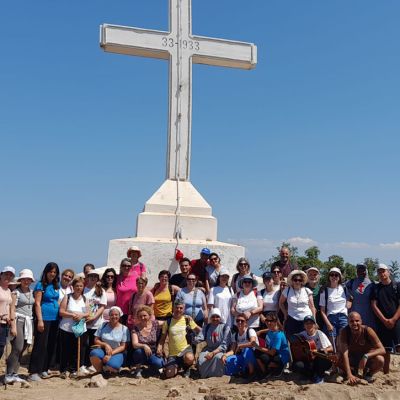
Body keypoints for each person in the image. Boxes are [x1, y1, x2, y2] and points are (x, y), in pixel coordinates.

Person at [28, 262, 60, 381]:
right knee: (40, 345)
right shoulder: (40, 285)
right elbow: (37, 303)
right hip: (44, 318)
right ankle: (34, 371)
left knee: (51, 344)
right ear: (46, 272)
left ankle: (44, 369)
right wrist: (40, 320)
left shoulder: (56, 285)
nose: (52, 274)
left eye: (55, 272)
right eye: (50, 271)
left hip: (55, 319)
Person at [156, 300, 201, 379]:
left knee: (190, 357)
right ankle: (178, 366)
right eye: (177, 308)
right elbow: (162, 339)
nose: (178, 310)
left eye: (181, 308)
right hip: (173, 354)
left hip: (186, 350)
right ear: (173, 308)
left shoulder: (187, 320)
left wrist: (209, 330)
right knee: (169, 374)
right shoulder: (168, 322)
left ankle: (186, 368)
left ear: (184, 309)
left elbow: (199, 330)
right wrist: (159, 347)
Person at [337, 311, 385, 384]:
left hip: (366, 360)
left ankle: (368, 375)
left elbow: (382, 349)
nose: (354, 323)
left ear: (361, 321)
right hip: (352, 358)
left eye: (357, 321)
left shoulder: (367, 330)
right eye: (351, 321)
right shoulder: (344, 331)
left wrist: (366, 356)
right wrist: (349, 374)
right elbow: (345, 353)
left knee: (380, 359)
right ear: (348, 322)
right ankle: (346, 373)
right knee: (337, 357)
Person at [5, 269, 34, 384]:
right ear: (20, 280)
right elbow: (12, 309)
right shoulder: (15, 292)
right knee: (17, 348)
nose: (26, 281)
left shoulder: (32, 292)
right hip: (18, 320)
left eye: (28, 279)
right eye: (24, 279)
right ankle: (8, 373)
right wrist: (13, 326)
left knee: (23, 348)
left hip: (28, 322)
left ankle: (14, 373)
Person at [371, 263, 400, 374]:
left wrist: (393, 319)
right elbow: (374, 305)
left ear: (388, 272)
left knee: (399, 347)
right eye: (379, 272)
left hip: (397, 321)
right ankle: (386, 374)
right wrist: (384, 320)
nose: (381, 273)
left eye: (383, 271)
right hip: (382, 323)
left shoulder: (397, 286)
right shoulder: (376, 288)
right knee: (385, 350)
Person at [58, 277, 89, 379]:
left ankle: (74, 370)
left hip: (80, 328)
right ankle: (63, 370)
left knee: (77, 350)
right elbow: (61, 311)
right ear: (73, 287)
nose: (79, 288)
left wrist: (81, 316)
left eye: (81, 286)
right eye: (77, 286)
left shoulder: (85, 299)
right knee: (65, 350)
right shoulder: (67, 297)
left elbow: (88, 313)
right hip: (66, 328)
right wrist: (72, 315)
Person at [293, 315, 334, 384]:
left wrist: (319, 350)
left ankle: (319, 375)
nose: (309, 325)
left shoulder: (320, 334)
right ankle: (309, 375)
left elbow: (331, 348)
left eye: (311, 323)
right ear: (304, 325)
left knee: (323, 359)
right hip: (307, 359)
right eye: (307, 323)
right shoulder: (301, 335)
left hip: (318, 359)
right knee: (297, 365)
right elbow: (294, 345)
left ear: (314, 325)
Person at [90, 306, 129, 373]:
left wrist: (110, 354)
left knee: (112, 365)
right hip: (103, 350)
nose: (114, 316)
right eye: (112, 315)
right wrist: (105, 345)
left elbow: (123, 346)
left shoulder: (124, 329)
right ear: (109, 316)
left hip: (117, 352)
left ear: (120, 316)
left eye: (116, 315)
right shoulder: (103, 325)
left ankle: (109, 367)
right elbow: (96, 340)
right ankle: (100, 372)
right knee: (94, 353)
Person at [279, 270, 315, 337]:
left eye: (299, 280)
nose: (297, 282)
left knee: (307, 341)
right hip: (292, 320)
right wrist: (285, 313)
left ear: (302, 281)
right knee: (292, 340)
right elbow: (280, 303)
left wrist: (314, 320)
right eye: (295, 280)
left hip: (306, 320)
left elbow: (312, 307)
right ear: (292, 281)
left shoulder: (307, 291)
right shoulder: (287, 290)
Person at [83, 269, 107, 373]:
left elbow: (102, 306)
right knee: (84, 344)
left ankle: (92, 364)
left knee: (94, 345)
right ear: (87, 277)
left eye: (95, 276)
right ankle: (83, 364)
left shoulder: (101, 291)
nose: (93, 278)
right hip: (84, 322)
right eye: (91, 276)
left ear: (98, 278)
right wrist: (85, 318)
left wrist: (93, 318)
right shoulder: (83, 289)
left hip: (96, 323)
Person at [131, 305, 164, 378]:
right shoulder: (135, 328)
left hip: (153, 351)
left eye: (145, 315)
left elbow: (167, 323)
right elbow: (135, 344)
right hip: (142, 352)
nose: (142, 318)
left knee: (159, 364)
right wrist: (144, 346)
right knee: (138, 352)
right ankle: (138, 369)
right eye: (140, 316)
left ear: (149, 315)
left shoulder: (155, 324)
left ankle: (151, 368)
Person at [255, 311, 290, 378]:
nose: (268, 323)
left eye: (271, 321)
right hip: (274, 353)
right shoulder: (272, 329)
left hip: (280, 356)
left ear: (276, 321)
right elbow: (268, 329)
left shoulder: (278, 335)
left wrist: (257, 347)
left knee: (261, 355)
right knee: (257, 352)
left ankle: (278, 366)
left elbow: (272, 352)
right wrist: (261, 331)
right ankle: (265, 371)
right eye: (267, 320)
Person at [197, 308, 230, 378]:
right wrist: (193, 338)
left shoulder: (225, 327)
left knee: (217, 358)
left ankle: (216, 376)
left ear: (220, 318)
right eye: (213, 317)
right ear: (210, 317)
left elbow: (224, 345)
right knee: (202, 359)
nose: (215, 319)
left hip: (220, 350)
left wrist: (213, 353)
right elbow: (199, 338)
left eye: (217, 317)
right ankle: (205, 375)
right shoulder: (206, 327)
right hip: (208, 349)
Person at [223, 313, 258, 379]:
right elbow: (232, 350)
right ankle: (237, 373)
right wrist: (225, 355)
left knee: (247, 350)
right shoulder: (235, 335)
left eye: (242, 321)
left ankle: (252, 373)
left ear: (246, 323)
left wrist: (240, 346)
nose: (240, 322)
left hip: (253, 356)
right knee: (228, 360)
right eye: (238, 320)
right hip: (242, 356)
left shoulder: (250, 331)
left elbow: (253, 343)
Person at [320, 267, 349, 343]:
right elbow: (322, 310)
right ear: (329, 277)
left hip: (343, 318)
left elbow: (350, 298)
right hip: (331, 318)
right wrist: (328, 324)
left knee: (343, 341)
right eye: (332, 275)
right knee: (332, 341)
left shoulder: (344, 288)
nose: (334, 277)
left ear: (339, 277)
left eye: (336, 275)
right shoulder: (324, 291)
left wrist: (348, 305)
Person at [346, 263, 376, 330]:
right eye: (359, 270)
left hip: (369, 320)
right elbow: (336, 285)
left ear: (366, 271)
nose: (361, 272)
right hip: (355, 320)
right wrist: (324, 286)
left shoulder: (373, 283)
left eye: (363, 270)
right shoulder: (350, 283)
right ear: (356, 271)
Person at [0, 266, 16, 363]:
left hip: (5, 324)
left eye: (11, 275)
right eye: (6, 274)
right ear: (1, 275)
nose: (8, 277)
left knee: (1, 348)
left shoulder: (8, 290)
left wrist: (10, 319)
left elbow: (10, 307)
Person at [116, 258, 139, 325]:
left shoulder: (136, 276)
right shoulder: (117, 277)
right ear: (121, 266)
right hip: (120, 311)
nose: (126, 267)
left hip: (133, 311)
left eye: (129, 266)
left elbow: (143, 285)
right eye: (124, 265)